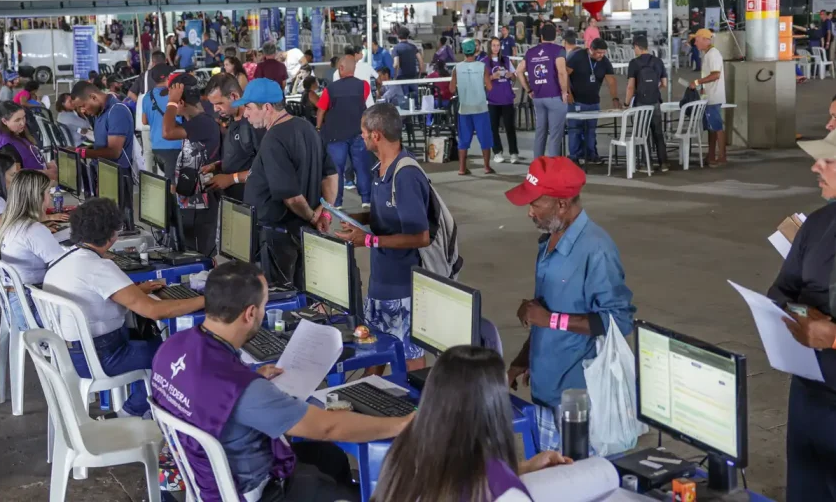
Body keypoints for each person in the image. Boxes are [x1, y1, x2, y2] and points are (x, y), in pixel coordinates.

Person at [151, 261, 410, 501]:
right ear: (250, 313)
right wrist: (400, 425)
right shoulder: (246, 391)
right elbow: (327, 428)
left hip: (204, 474)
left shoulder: (171, 347)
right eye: (264, 305)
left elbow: (205, 389)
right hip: (256, 490)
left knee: (328, 456)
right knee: (354, 493)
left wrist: (251, 377)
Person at [504, 156, 635, 451]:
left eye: (535, 204)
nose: (529, 212)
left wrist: (549, 319)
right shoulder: (549, 240)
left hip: (577, 404)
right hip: (544, 393)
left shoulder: (596, 249)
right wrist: (524, 359)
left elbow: (619, 321)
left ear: (561, 205)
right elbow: (545, 314)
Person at [44, 198, 204, 419]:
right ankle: (132, 413)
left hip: (68, 353)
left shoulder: (63, 257)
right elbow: (155, 311)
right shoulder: (99, 267)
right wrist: (207, 300)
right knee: (176, 357)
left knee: (153, 342)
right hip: (102, 355)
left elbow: (96, 293)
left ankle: (135, 408)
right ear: (112, 236)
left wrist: (137, 290)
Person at [373, 345, 572, 502]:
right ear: (496, 409)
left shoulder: (403, 453)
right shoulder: (504, 492)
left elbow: (460, 477)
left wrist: (526, 467)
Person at [768, 127, 836, 502]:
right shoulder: (819, 225)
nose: (816, 167)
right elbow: (780, 292)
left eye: (828, 160)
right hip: (812, 394)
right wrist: (797, 312)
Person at [335, 104, 430, 372]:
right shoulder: (381, 169)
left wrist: (368, 241)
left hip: (402, 287)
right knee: (374, 350)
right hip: (380, 283)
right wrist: (360, 219)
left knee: (409, 357)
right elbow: (387, 216)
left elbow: (420, 237)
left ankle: (417, 412)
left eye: (363, 133)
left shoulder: (405, 175)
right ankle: (369, 396)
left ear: (376, 135)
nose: (361, 137)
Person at [239, 79, 338, 288]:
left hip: (279, 237)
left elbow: (291, 196)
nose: (244, 114)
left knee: (280, 299)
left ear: (266, 107)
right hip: (301, 233)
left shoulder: (273, 138)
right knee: (303, 290)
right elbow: (331, 175)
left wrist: (314, 217)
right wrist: (325, 212)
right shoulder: (307, 127)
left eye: (248, 107)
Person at [0, 170, 67, 330]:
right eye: (48, 193)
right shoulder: (33, 230)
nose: (50, 198)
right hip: (34, 312)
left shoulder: (10, 223)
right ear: (38, 197)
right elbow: (63, 266)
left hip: (16, 305)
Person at [162, 74, 222, 257]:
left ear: (180, 102)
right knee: (188, 251)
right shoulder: (193, 122)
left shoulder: (203, 122)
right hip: (191, 199)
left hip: (201, 205)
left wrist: (171, 103)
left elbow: (167, 132)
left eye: (172, 100)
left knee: (198, 255)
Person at [316, 55, 372, 209]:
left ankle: (338, 202)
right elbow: (363, 102)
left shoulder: (331, 89)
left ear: (341, 68)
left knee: (337, 170)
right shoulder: (364, 86)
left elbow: (321, 111)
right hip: (358, 133)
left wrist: (318, 128)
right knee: (361, 166)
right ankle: (366, 199)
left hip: (335, 135)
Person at [203, 73, 265, 202]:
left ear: (234, 96)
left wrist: (231, 179)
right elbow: (243, 156)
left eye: (219, 103)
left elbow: (266, 170)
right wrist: (217, 165)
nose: (215, 109)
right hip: (234, 201)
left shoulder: (254, 123)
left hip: (251, 203)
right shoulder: (232, 119)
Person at [516, 24, 569, 158]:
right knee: (555, 135)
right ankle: (552, 169)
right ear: (555, 36)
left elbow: (519, 71)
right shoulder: (559, 50)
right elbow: (562, 72)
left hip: (538, 97)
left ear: (540, 37)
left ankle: (537, 167)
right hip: (555, 96)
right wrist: (564, 92)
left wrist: (528, 89)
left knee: (540, 133)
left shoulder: (530, 52)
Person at [567, 38, 620, 164]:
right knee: (575, 130)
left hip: (593, 102)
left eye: (603, 53)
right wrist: (567, 92)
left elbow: (611, 80)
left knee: (591, 131)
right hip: (576, 101)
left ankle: (591, 153)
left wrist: (615, 98)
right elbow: (564, 73)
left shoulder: (604, 62)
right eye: (598, 53)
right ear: (591, 49)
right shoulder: (577, 57)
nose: (601, 55)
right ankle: (574, 156)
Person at [625, 35, 669, 173]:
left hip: (640, 104)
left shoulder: (634, 63)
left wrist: (626, 103)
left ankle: (645, 164)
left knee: (641, 134)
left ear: (637, 47)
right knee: (658, 133)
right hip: (655, 101)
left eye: (634, 48)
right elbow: (664, 84)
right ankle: (664, 164)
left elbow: (631, 87)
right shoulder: (658, 61)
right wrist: (653, 89)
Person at [450, 39, 494, 176]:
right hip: (480, 108)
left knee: (463, 139)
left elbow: (451, 89)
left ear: (463, 51)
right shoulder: (482, 67)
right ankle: (486, 167)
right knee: (485, 138)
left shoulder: (456, 68)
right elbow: (490, 87)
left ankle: (462, 168)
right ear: (475, 51)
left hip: (464, 109)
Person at [686, 28, 728, 167]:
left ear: (705, 40)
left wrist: (698, 82)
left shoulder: (713, 54)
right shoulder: (708, 54)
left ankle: (721, 156)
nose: (695, 42)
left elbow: (716, 75)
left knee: (716, 126)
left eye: (697, 39)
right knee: (711, 127)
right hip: (709, 96)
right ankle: (711, 154)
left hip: (714, 97)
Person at [70, 81, 134, 170]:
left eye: (83, 106)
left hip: (116, 176)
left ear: (93, 97)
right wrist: (77, 150)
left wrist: (82, 153)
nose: (82, 111)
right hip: (99, 171)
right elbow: (102, 145)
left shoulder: (117, 111)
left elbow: (114, 152)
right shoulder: (98, 112)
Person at [0, 101, 56, 178]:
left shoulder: (17, 132)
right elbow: (17, 174)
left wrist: (47, 165)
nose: (23, 123)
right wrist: (46, 173)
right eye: (17, 120)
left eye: (24, 117)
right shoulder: (6, 146)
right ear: (4, 121)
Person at [141, 63, 180, 181]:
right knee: (173, 184)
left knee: (165, 180)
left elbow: (144, 121)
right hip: (174, 145)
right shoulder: (175, 94)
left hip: (157, 146)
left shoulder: (147, 96)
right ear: (168, 77)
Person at [485, 37, 519, 164]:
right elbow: (483, 80)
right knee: (493, 127)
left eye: (498, 45)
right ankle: (497, 152)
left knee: (510, 127)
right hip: (493, 100)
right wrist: (492, 77)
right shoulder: (485, 61)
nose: (496, 47)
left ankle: (514, 152)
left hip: (507, 99)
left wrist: (512, 75)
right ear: (489, 47)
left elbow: (514, 76)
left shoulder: (506, 60)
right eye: (493, 45)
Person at [392, 27, 425, 93]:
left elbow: (396, 64)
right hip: (413, 76)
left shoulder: (396, 48)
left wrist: (394, 77)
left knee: (405, 99)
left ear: (398, 36)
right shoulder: (413, 47)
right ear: (407, 36)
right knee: (415, 99)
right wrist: (419, 75)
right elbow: (421, 61)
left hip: (402, 78)